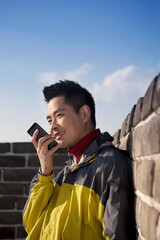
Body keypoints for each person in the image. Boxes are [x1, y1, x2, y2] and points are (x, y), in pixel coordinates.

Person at [23, 80, 136, 240]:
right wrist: (45, 172)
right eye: (49, 120)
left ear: (84, 114)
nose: (52, 127)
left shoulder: (110, 165)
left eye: (59, 115)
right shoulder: (63, 175)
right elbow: (32, 224)